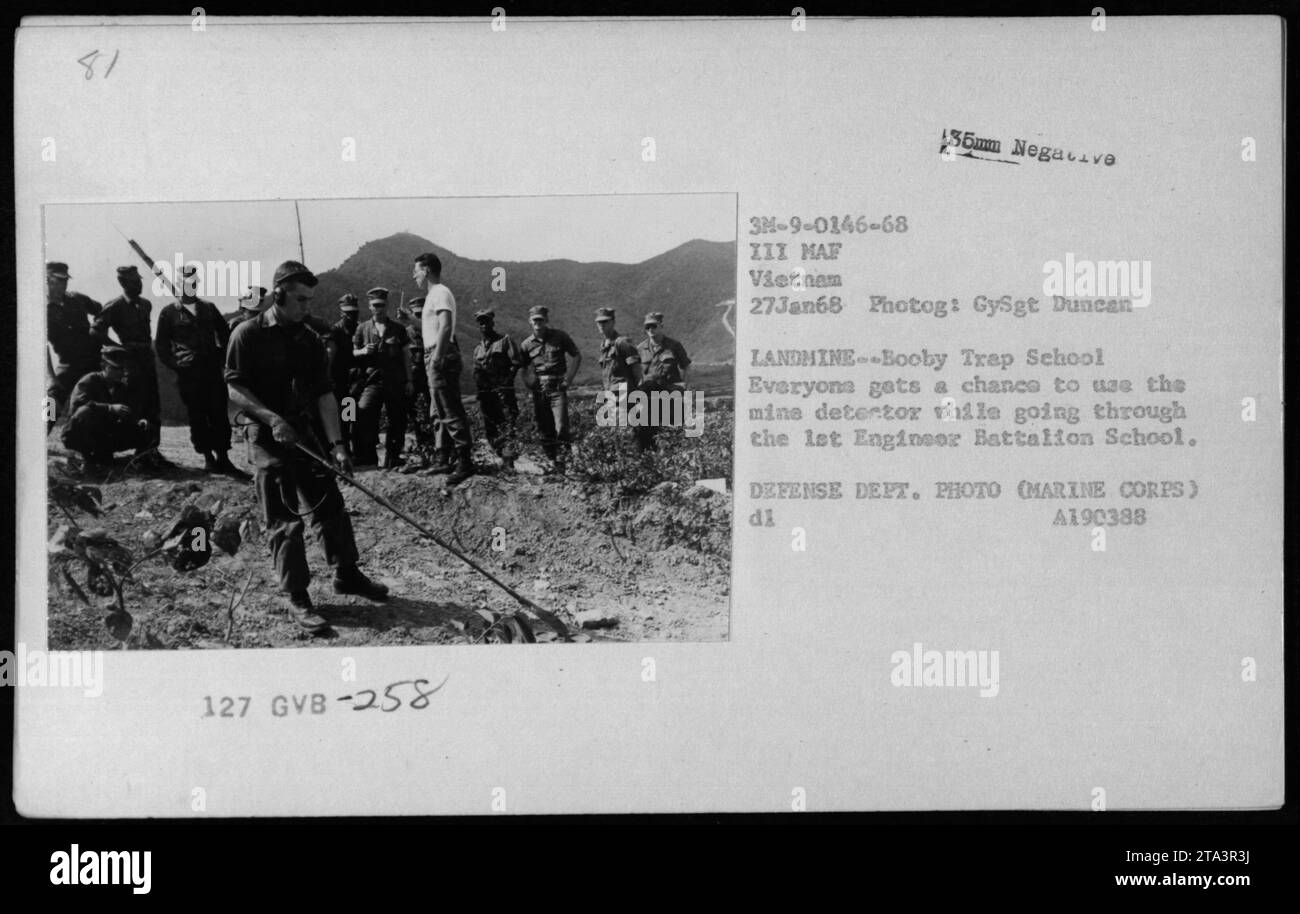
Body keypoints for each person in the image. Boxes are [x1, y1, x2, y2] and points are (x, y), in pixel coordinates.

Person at [225, 260, 389, 634]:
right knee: (285, 519)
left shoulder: (310, 338)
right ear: (278, 295)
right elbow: (235, 388)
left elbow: (324, 394)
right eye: (300, 300)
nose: (306, 307)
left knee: (329, 503)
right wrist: (272, 419)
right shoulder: (246, 334)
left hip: (302, 431)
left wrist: (337, 444)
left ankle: (346, 573)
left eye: (310, 300)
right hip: (266, 434)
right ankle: (297, 595)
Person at [155, 265, 245, 477]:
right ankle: (208, 459)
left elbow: (225, 337)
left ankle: (224, 458)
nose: (191, 287)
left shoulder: (209, 308)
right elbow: (161, 346)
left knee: (219, 414)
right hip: (189, 375)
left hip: (212, 371)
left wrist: (224, 360)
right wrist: (177, 364)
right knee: (198, 416)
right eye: (186, 283)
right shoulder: (169, 313)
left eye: (194, 283)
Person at [412, 252, 476, 485]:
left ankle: (465, 462)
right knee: (437, 411)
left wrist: (437, 357)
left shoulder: (440, 292)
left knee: (449, 409)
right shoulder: (434, 295)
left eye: (416, 270)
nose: (414, 275)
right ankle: (443, 459)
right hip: (435, 353)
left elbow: (446, 326)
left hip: (440, 354)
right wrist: (410, 321)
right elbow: (431, 327)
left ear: (427, 270)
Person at [91, 266, 167, 459]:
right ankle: (130, 450)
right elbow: (96, 331)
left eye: (140, 280)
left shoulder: (146, 304)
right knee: (132, 402)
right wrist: (118, 349)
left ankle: (150, 450)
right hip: (129, 361)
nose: (139, 285)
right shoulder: (115, 305)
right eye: (134, 282)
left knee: (152, 404)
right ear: (124, 283)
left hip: (147, 358)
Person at [61, 344, 160, 470]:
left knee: (146, 427)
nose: (122, 372)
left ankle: (138, 463)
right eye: (116, 368)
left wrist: (137, 420)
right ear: (104, 366)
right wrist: (109, 408)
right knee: (85, 412)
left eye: (124, 368)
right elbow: (79, 410)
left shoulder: (121, 387)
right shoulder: (89, 381)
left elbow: (128, 410)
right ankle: (84, 458)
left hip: (104, 436)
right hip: (80, 435)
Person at [351, 287, 412, 469]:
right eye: (375, 305)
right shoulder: (362, 328)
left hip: (395, 381)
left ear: (387, 306)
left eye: (382, 305)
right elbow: (353, 351)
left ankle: (393, 457)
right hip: (372, 381)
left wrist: (409, 380)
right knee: (364, 412)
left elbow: (406, 356)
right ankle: (368, 458)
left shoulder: (398, 329)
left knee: (397, 418)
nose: (379, 308)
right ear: (369, 306)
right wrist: (362, 351)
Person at [519, 305, 582, 472]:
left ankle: (567, 462)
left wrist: (568, 379)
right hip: (539, 391)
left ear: (546, 320)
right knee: (544, 428)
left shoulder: (560, 337)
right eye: (535, 320)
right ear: (530, 322)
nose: (538, 323)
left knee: (561, 426)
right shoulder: (526, 344)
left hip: (557, 388)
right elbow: (523, 367)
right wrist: (530, 384)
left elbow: (576, 355)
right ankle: (553, 462)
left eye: (541, 319)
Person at [45, 262, 103, 434]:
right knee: (52, 399)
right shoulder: (41, 309)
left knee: (99, 400)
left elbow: (103, 311)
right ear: (48, 280)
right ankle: (37, 437)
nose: (64, 284)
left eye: (66, 280)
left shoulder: (77, 299)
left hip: (93, 360)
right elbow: (41, 347)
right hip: (68, 363)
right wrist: (51, 377)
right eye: (59, 280)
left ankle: (96, 449)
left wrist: (98, 330)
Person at [471, 308, 523, 469]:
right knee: (490, 429)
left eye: (486, 321)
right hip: (487, 395)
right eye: (481, 322)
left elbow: (516, 363)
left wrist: (506, 383)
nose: (484, 325)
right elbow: (477, 371)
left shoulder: (505, 341)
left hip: (503, 392)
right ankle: (502, 457)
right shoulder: (478, 349)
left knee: (507, 425)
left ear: (492, 322)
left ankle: (509, 463)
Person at [635, 310, 692, 451]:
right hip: (648, 398)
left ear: (661, 326)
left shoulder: (674, 345)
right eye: (647, 327)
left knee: (672, 436)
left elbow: (686, 366)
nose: (650, 330)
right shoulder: (640, 348)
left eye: (653, 326)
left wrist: (683, 386)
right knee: (647, 436)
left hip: (670, 397)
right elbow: (635, 372)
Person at [595, 306, 642, 436]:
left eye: (605, 322)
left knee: (628, 431)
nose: (602, 325)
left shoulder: (622, 342)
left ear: (613, 322)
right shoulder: (604, 345)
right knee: (616, 432)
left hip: (625, 394)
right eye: (599, 322)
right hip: (611, 395)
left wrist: (637, 392)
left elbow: (636, 368)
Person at [328, 294, 361, 450]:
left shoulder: (361, 328)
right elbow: (331, 355)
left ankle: (359, 449)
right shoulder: (335, 330)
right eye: (347, 312)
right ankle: (346, 448)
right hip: (341, 380)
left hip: (359, 379)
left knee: (358, 416)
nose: (351, 315)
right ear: (341, 312)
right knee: (346, 416)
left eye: (353, 312)